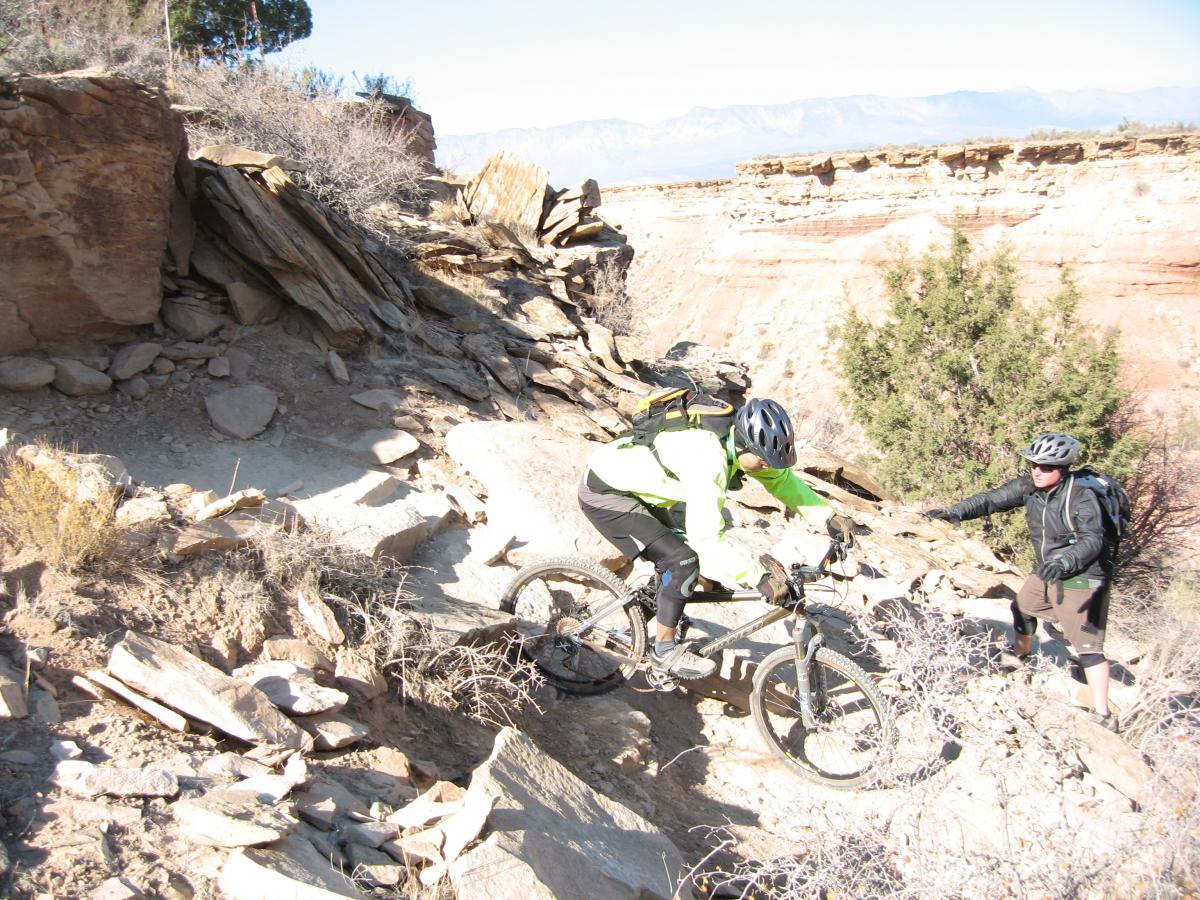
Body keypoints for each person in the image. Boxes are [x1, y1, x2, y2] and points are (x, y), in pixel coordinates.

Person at [578, 396, 851, 680]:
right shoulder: (708, 460)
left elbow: (782, 480)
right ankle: (664, 651)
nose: (765, 467)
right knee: (682, 561)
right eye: (762, 460)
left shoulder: (738, 443)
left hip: (640, 490)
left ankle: (642, 618)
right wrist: (759, 577)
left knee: (687, 566)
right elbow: (706, 538)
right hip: (606, 492)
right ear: (745, 445)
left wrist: (828, 517)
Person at [925, 432, 1119, 732]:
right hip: (1048, 567)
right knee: (1023, 606)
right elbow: (992, 499)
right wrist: (956, 512)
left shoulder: (1082, 496)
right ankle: (1020, 653)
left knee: (1089, 647)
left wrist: (1066, 561)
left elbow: (1092, 539)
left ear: (1063, 470)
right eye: (1034, 465)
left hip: (1083, 575)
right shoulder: (1030, 487)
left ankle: (1104, 713)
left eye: (1046, 467)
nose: (1037, 471)